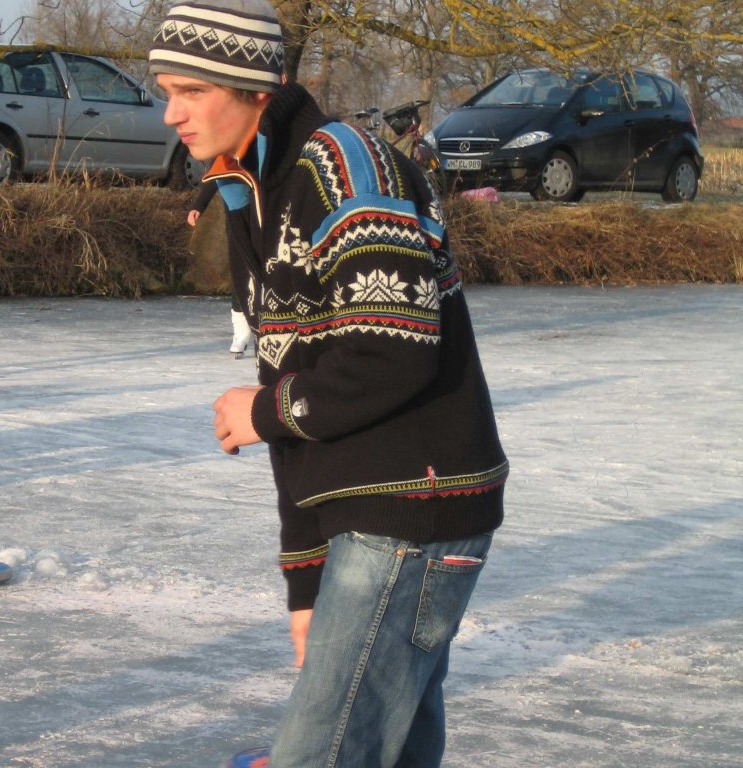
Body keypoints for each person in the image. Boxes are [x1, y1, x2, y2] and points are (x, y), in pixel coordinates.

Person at [149, 3, 509, 767]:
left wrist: (261, 411)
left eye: (189, 89)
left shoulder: (343, 163)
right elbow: (291, 380)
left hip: (412, 504)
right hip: (369, 512)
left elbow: (393, 351)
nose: (170, 111)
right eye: (164, 89)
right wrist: (305, 576)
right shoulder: (250, 190)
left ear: (248, 86)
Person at [188, 179, 253, 356]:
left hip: (264, 210)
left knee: (266, 269)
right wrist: (199, 205)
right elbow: (217, 170)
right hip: (236, 213)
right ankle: (241, 329)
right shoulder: (224, 157)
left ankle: (266, 327)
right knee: (239, 269)